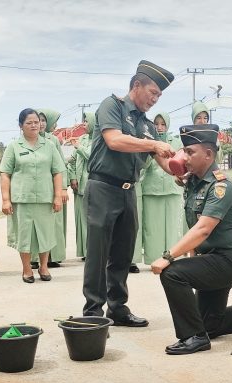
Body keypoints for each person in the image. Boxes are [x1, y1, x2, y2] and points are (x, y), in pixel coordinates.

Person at [82, 60, 175, 326]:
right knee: (99, 253)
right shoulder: (112, 106)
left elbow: (165, 162)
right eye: (153, 92)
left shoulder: (147, 125)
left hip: (128, 191)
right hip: (103, 188)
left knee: (123, 254)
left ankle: (117, 307)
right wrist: (153, 144)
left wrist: (183, 172)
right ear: (136, 85)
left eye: (159, 96)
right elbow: (114, 140)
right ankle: (92, 312)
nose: (155, 99)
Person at [151, 124, 232, 354]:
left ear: (209, 154)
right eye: (184, 151)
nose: (185, 157)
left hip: (226, 261)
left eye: (190, 152)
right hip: (210, 259)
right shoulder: (194, 180)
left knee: (172, 273)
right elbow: (171, 167)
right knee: (210, 325)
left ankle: (193, 337)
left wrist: (168, 257)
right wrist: (152, 148)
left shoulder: (221, 186)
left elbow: (203, 229)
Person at [0, 108, 65, 283]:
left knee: (45, 233)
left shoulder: (49, 146)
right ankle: (27, 269)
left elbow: (57, 172)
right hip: (22, 199)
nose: (34, 125)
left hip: (45, 198)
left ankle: (43, 267)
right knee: (24, 235)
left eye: (37, 122)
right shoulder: (14, 146)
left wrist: (58, 196)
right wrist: (6, 200)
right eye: (29, 123)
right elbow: (5, 173)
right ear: (21, 125)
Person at [141, 112, 184, 265]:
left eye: (163, 124)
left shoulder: (176, 142)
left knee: (173, 227)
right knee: (152, 228)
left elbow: (181, 164)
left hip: (173, 189)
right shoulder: (148, 143)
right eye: (156, 124)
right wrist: (151, 149)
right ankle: (154, 259)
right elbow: (144, 165)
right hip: (152, 189)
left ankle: (172, 258)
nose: (159, 127)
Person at [33, 108, 68, 269]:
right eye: (38, 120)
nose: (41, 124)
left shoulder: (52, 140)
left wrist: (63, 188)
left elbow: (61, 165)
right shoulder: (28, 139)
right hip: (35, 189)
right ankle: (34, 258)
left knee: (54, 223)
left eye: (43, 120)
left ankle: (54, 256)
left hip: (53, 187)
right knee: (35, 224)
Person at [66, 111, 94, 259]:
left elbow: (91, 156)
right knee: (80, 220)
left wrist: (78, 147)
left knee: (92, 220)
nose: (84, 124)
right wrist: (72, 177)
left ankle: (93, 251)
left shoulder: (100, 139)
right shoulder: (82, 138)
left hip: (93, 186)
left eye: (87, 121)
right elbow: (72, 160)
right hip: (79, 187)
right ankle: (84, 251)